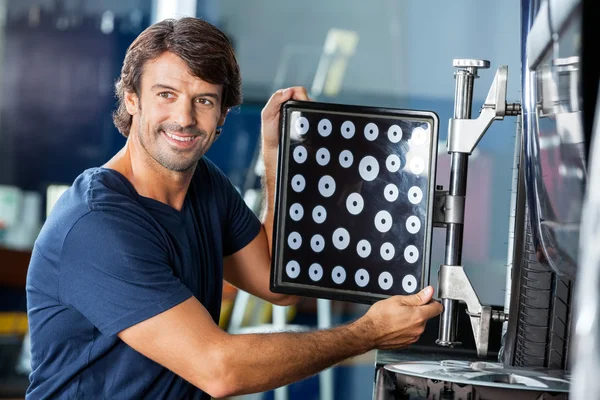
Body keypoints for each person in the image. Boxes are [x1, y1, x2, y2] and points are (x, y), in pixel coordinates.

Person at [25, 17, 443, 399]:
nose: (184, 118)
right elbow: (219, 369)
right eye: (166, 95)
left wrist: (279, 152)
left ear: (223, 113)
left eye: (204, 100)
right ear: (132, 99)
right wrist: (368, 332)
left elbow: (280, 285)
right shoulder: (98, 223)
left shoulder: (206, 186)